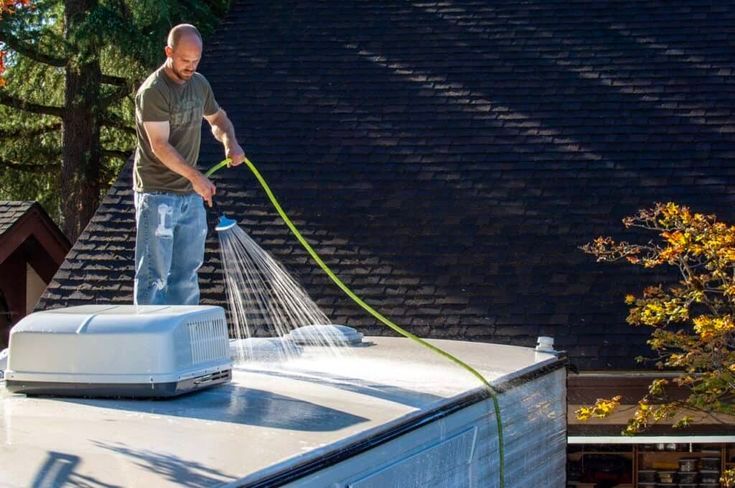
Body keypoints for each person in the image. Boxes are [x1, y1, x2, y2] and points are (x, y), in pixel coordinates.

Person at [133, 23, 245, 305]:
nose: (190, 66)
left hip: (189, 195)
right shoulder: (154, 91)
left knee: (186, 273)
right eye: (184, 60)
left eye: (196, 60)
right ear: (169, 52)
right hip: (157, 194)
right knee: (154, 276)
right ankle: (150, 344)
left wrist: (230, 141)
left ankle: (182, 339)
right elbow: (160, 145)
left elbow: (218, 118)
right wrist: (196, 178)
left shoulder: (199, 85)